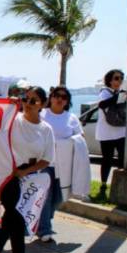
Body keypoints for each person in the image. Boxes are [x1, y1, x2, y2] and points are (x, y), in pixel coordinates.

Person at [0, 86, 54, 253]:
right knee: (16, 219)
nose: (27, 103)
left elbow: (47, 159)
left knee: (11, 220)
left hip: (29, 178)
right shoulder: (13, 120)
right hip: (7, 176)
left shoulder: (46, 129)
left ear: (42, 104)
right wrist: (7, 106)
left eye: (33, 100)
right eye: (26, 98)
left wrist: (27, 171)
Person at [38, 86, 86, 242]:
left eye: (64, 97)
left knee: (59, 196)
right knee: (46, 195)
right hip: (45, 162)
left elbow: (80, 136)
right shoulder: (42, 115)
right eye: (57, 96)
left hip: (65, 165)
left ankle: (43, 218)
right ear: (51, 98)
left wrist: (71, 141)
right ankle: (45, 229)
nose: (60, 99)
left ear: (67, 101)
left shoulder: (71, 118)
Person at [96, 69, 127, 197]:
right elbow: (102, 105)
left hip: (120, 130)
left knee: (122, 159)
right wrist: (118, 97)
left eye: (120, 78)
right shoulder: (105, 92)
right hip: (106, 132)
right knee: (107, 160)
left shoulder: (120, 93)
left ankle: (120, 185)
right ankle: (103, 184)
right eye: (116, 78)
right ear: (109, 80)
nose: (118, 81)